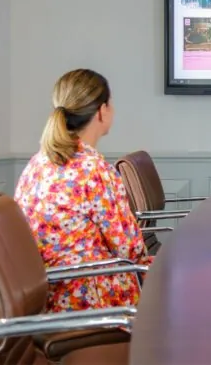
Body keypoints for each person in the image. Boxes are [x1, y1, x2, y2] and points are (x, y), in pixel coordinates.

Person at [14, 69, 152, 312]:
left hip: (45, 295)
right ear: (102, 111)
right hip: (90, 295)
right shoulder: (94, 169)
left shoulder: (37, 163)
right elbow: (129, 248)